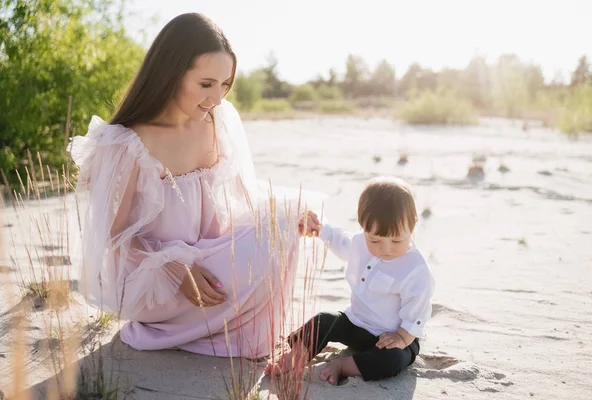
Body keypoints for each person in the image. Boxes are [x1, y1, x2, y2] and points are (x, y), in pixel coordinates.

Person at [68, 13, 317, 358]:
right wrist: (173, 266)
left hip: (208, 258)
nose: (217, 97)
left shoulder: (218, 120)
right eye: (206, 84)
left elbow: (242, 194)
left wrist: (289, 213)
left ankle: (210, 326)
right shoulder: (127, 143)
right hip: (157, 279)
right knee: (261, 247)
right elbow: (115, 235)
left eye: (225, 84)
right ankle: (185, 327)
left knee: (283, 226)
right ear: (171, 73)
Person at [265, 176, 435, 384]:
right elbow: (340, 241)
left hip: (393, 338)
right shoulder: (359, 243)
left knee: (393, 360)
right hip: (354, 323)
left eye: (397, 240)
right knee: (323, 320)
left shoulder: (415, 269)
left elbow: (418, 311)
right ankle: (297, 355)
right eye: (375, 240)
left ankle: (344, 366)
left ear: (413, 225)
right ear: (363, 227)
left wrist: (401, 337)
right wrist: (319, 229)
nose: (386, 249)